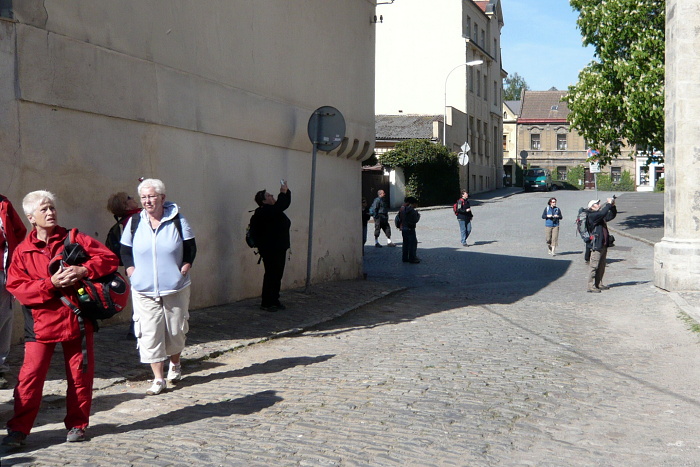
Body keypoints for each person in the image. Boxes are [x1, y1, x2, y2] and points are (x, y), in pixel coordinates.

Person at [3, 190, 118, 446]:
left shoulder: (74, 238)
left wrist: (84, 269)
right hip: (40, 326)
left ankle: (77, 425)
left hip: (76, 320)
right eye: (44, 209)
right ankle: (18, 430)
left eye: (52, 207)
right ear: (31, 217)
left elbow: (109, 259)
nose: (51, 212)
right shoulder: (22, 251)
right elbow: (17, 288)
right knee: (30, 378)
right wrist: (50, 284)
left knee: (80, 377)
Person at [120, 179, 196, 396]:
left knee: (175, 330)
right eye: (143, 197)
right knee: (149, 332)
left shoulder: (178, 220)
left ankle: (175, 363)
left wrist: (185, 266)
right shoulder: (135, 222)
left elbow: (191, 247)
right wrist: (130, 270)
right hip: (143, 288)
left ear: (162, 197)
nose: (147, 201)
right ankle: (158, 378)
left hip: (174, 286)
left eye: (152, 196)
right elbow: (125, 250)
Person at [0, 194, 27, 390]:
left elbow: (19, 230)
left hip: (2, 270)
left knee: (3, 318)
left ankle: (0, 366)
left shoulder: (3, 203)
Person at [106, 191, 141, 340]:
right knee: (142, 300)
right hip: (139, 266)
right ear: (125, 206)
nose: (134, 198)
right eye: (129, 198)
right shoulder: (135, 219)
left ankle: (135, 329)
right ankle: (135, 330)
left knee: (139, 298)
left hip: (132, 266)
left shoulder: (126, 221)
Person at [252, 181, 291, 312]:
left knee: (276, 274)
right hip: (271, 249)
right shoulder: (265, 211)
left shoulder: (273, 210)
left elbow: (283, 204)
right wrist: (283, 193)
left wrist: (286, 192)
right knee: (271, 274)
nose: (271, 196)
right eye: (268, 195)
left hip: (278, 248)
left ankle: (274, 300)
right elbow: (282, 205)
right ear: (263, 201)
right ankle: (267, 302)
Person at [586, 198, 617, 293]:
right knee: (594, 266)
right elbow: (602, 213)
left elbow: (610, 216)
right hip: (596, 244)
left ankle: (598, 283)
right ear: (591, 207)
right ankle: (590, 286)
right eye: (596, 203)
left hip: (603, 243)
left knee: (602, 265)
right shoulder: (592, 215)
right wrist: (608, 204)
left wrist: (612, 206)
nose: (599, 204)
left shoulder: (599, 215)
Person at [398, 196, 421, 263]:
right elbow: (415, 220)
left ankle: (404, 258)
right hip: (410, 228)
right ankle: (412, 258)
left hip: (404, 228)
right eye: (416, 204)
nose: (416, 205)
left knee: (405, 243)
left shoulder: (402, 209)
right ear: (413, 203)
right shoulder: (412, 211)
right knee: (412, 243)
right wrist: (418, 215)